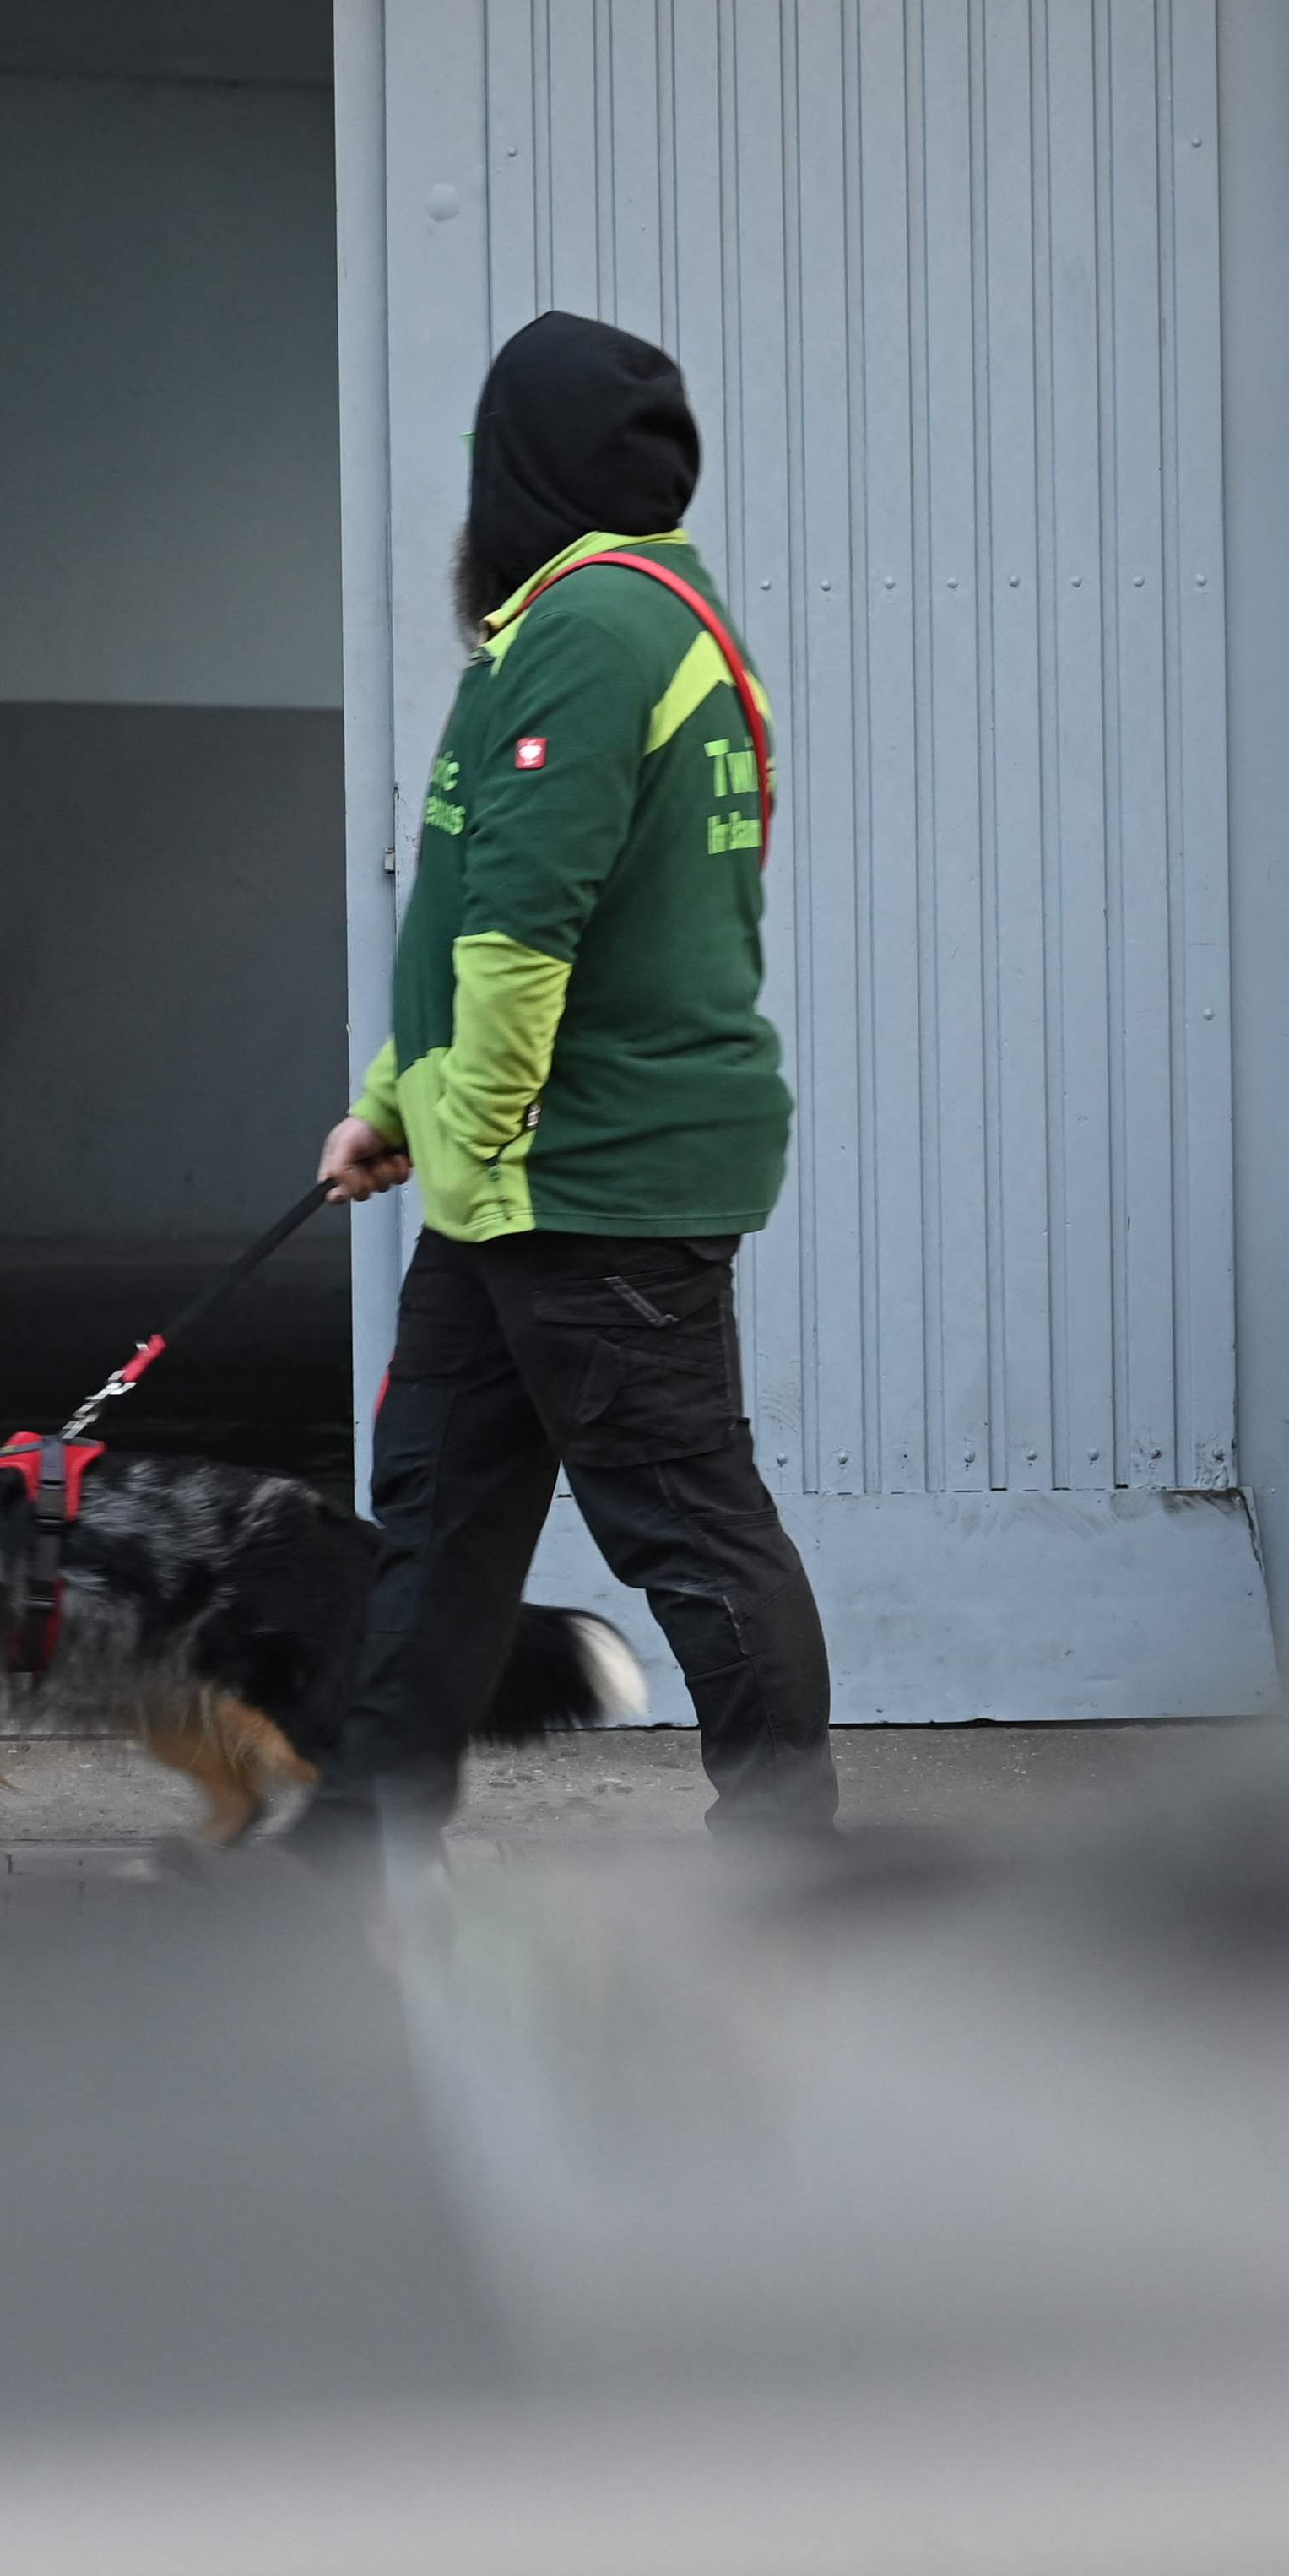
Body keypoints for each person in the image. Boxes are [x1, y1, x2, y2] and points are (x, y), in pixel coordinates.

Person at [298, 310, 839, 1852]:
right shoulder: (637, 618)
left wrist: (462, 1139)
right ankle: (362, 1830)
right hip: (520, 1186)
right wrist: (393, 1110)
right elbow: (478, 909)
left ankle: (789, 1866)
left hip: (579, 1181)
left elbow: (523, 939)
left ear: (520, 470)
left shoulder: (596, 635)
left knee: (691, 1528)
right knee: (441, 1515)